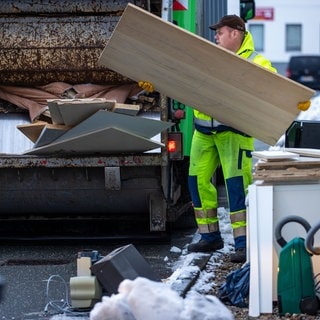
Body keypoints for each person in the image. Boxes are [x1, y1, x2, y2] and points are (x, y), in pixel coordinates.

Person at [187, 14, 277, 263]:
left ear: (235, 34)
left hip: (234, 133)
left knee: (236, 188)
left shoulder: (256, 61)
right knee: (197, 182)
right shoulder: (210, 57)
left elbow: (274, 88)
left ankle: (243, 243)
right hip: (203, 133)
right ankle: (209, 236)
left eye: (220, 32)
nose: (215, 36)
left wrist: (292, 102)